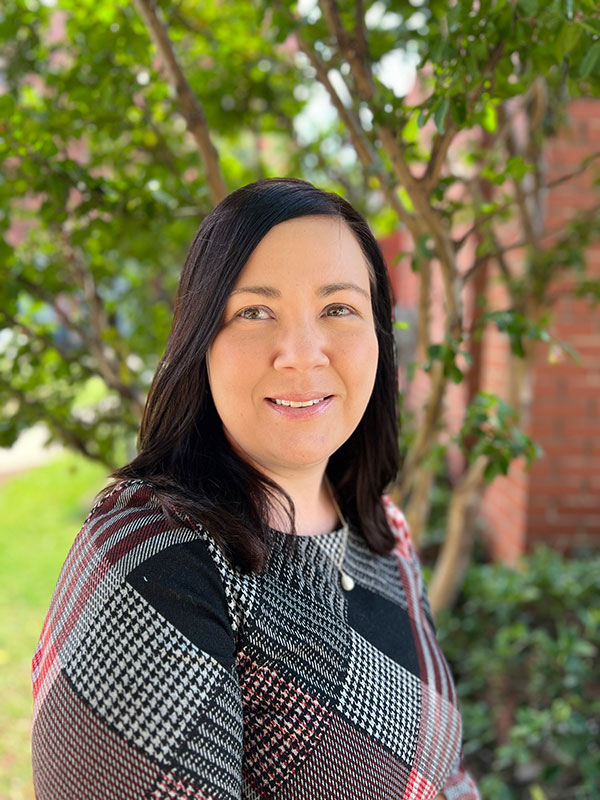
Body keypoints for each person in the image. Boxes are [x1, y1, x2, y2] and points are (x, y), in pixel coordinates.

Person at [31, 178, 479, 800]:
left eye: (338, 308)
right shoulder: (153, 562)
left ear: (379, 336)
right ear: (200, 343)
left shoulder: (381, 530)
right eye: (254, 311)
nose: (300, 354)